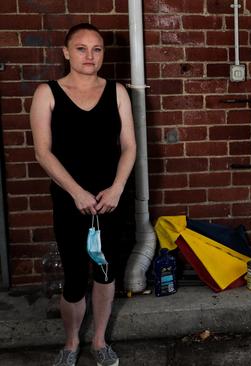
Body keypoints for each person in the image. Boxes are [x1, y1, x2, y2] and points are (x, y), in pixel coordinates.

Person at [30, 23, 136, 366]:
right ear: (66, 52)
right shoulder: (47, 93)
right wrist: (75, 191)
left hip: (110, 199)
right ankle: (72, 341)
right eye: (81, 48)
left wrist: (118, 188)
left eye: (97, 49)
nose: (89, 56)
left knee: (106, 272)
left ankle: (100, 339)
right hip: (70, 199)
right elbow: (43, 153)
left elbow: (130, 147)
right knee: (75, 277)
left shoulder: (117, 92)